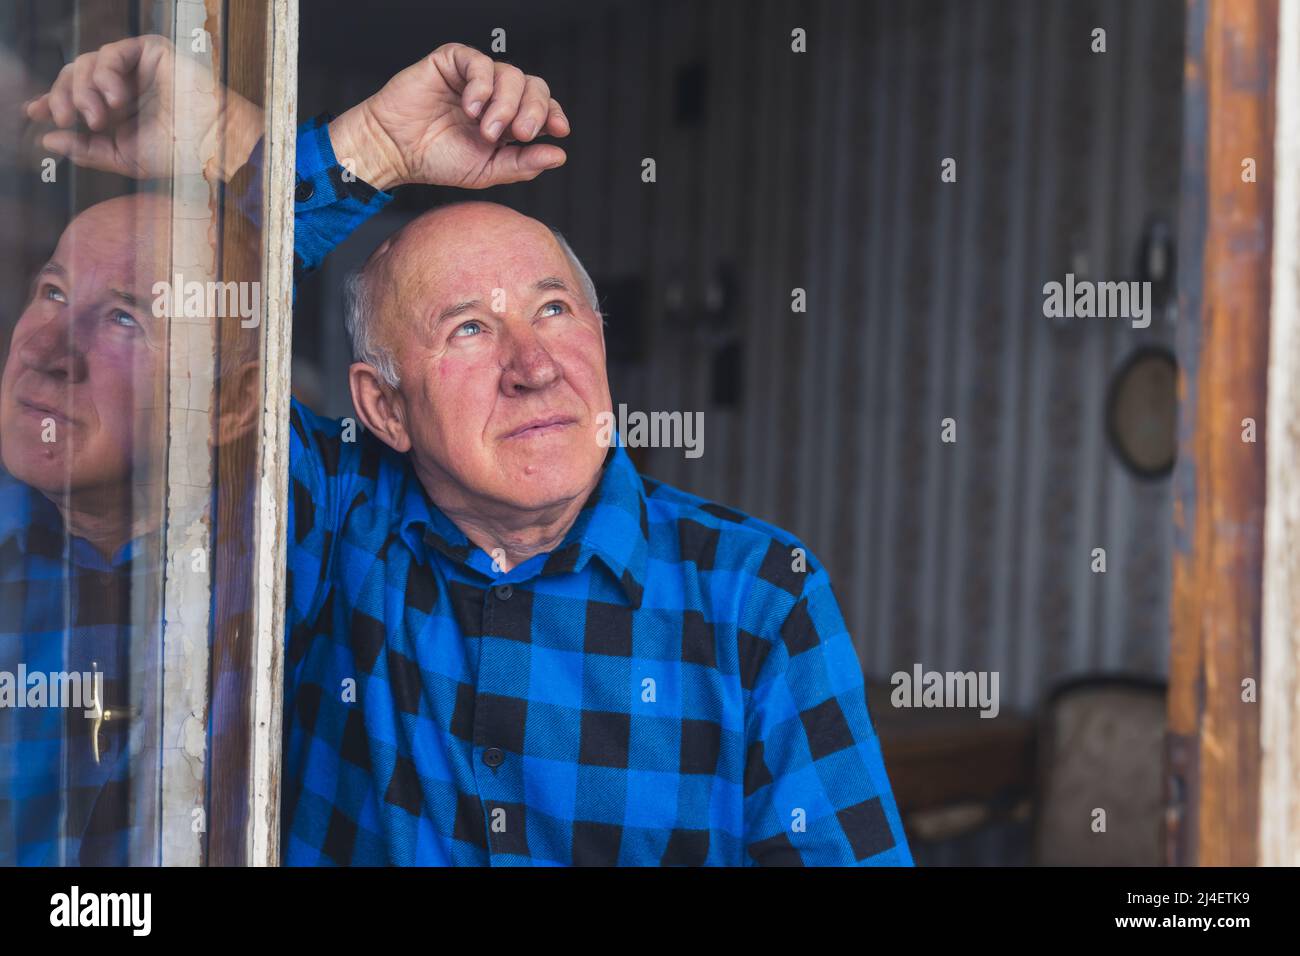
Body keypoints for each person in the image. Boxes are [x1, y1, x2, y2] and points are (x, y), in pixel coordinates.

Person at [26, 35, 912, 866]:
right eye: (469, 329)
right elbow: (184, 383)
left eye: (554, 310)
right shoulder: (333, 523)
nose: (535, 367)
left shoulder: (758, 594)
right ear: (385, 408)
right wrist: (350, 147)